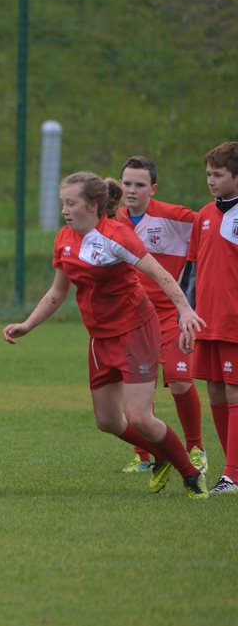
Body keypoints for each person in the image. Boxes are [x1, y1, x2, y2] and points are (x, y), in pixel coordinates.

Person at [3, 171, 208, 498]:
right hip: (100, 337)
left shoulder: (117, 236)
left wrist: (185, 310)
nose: (65, 210)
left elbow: (161, 274)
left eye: (71, 204)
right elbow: (57, 292)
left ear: (93, 205)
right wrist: (27, 324)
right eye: (63, 203)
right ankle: (162, 454)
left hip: (135, 331)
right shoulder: (64, 238)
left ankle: (191, 474)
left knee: (139, 417)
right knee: (108, 421)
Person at [116, 156, 205, 475]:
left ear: (153, 189)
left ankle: (196, 449)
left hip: (170, 315)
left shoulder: (176, 217)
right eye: (127, 183)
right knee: (139, 386)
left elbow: (213, 228)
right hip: (131, 318)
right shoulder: (112, 218)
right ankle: (144, 455)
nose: (132, 190)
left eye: (139, 185)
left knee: (180, 382)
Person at [182, 142, 238, 495]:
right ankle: (232, 467)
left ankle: (233, 473)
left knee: (234, 390)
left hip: (234, 321)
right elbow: (192, 271)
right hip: (207, 321)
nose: (210, 181)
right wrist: (185, 314)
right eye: (208, 174)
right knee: (215, 390)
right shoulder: (203, 215)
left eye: (218, 175)